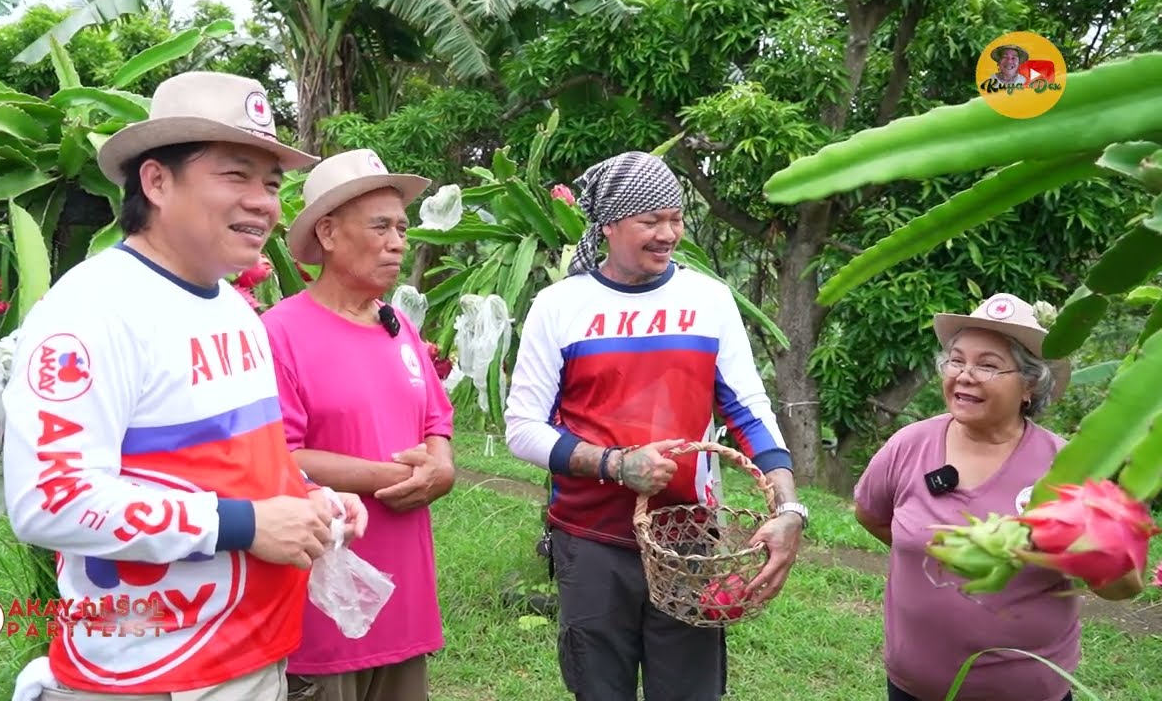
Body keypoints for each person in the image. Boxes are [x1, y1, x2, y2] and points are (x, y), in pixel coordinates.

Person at [1, 71, 368, 701]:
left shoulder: (234, 310)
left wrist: (308, 498)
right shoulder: (93, 311)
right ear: (157, 181)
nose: (264, 202)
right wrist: (244, 524)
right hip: (151, 671)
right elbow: (49, 500)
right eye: (236, 176)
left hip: (252, 657)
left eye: (273, 184)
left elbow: (237, 459)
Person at [504, 150, 808, 701]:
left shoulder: (708, 300)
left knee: (690, 690)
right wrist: (614, 464)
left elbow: (748, 409)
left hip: (687, 537)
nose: (668, 233)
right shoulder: (559, 306)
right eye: (651, 220)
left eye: (675, 218)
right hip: (589, 540)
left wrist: (788, 508)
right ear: (610, 225)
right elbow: (522, 427)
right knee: (600, 689)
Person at [853, 293, 1144, 701]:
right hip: (912, 687)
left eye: (988, 365)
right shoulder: (909, 445)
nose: (965, 375)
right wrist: (938, 555)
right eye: (956, 360)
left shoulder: (1068, 466)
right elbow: (871, 514)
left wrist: (1072, 542)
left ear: (1030, 384)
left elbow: (1123, 588)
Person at [266, 148, 456, 701]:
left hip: (406, 601)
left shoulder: (399, 329)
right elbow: (281, 455)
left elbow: (436, 421)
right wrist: (391, 478)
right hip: (326, 603)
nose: (398, 241)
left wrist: (440, 466)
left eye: (402, 226)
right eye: (380, 226)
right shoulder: (280, 333)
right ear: (327, 232)